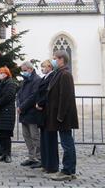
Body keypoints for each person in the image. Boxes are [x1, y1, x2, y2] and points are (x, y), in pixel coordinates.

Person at [47, 51, 79, 181]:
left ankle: (67, 170)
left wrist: (60, 116)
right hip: (59, 115)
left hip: (64, 116)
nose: (53, 61)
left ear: (61, 60)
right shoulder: (58, 73)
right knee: (66, 143)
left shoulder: (65, 74)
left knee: (67, 144)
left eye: (55, 59)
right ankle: (69, 170)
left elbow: (65, 97)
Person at [17, 61, 42, 168]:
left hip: (32, 113)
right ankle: (31, 157)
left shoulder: (36, 80)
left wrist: (22, 107)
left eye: (25, 70)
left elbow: (33, 96)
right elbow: (19, 95)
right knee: (26, 136)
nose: (23, 73)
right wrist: (19, 105)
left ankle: (40, 158)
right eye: (22, 71)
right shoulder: (24, 81)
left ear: (30, 69)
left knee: (35, 136)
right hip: (24, 113)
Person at [35, 60, 58, 173]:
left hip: (47, 110)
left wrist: (40, 103)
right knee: (44, 139)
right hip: (41, 112)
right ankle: (45, 163)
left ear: (50, 67)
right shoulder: (44, 78)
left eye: (43, 67)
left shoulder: (52, 76)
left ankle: (51, 165)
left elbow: (48, 93)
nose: (42, 69)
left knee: (50, 140)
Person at [0, 66, 17, 163]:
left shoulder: (11, 83)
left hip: (6, 112)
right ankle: (3, 153)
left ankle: (8, 154)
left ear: (6, 74)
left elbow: (8, 97)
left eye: (1, 73)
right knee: (1, 134)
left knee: (6, 134)